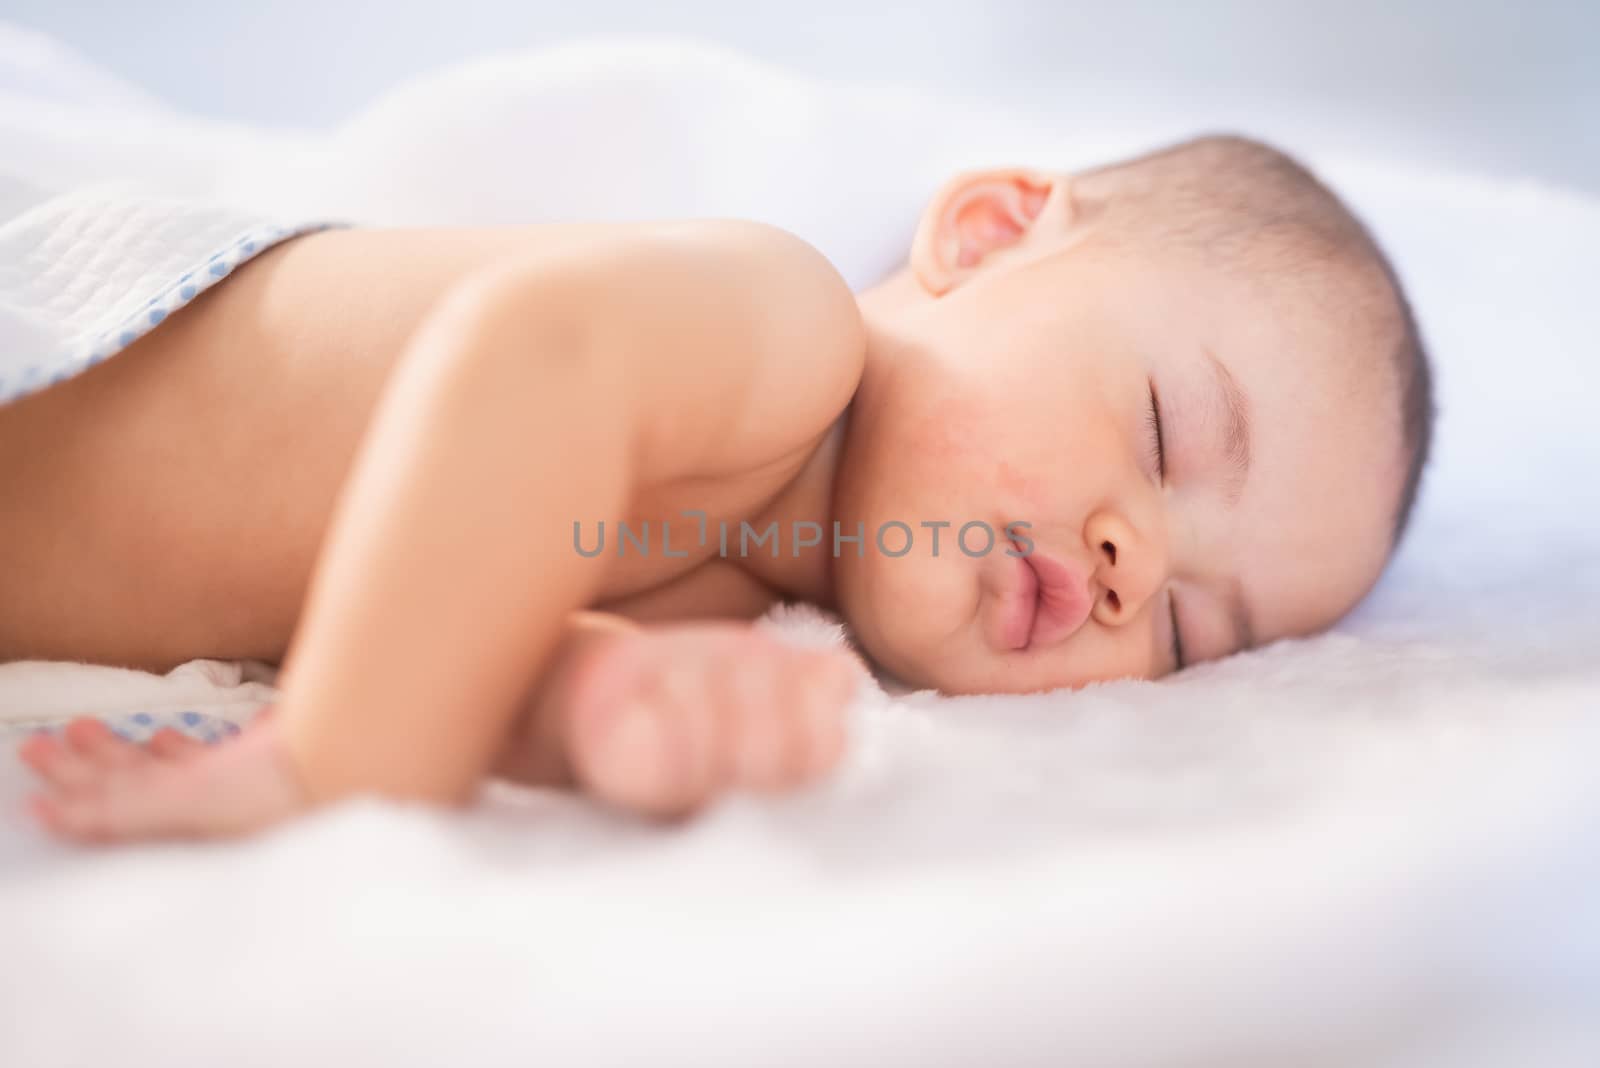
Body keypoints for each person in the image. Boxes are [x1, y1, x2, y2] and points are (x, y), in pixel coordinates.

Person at [4, 134, 1434, 842]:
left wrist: (597, 706)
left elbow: (457, 612)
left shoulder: (738, 598)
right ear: (989, 236)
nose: (1135, 564)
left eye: (1192, 631)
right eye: (1168, 432)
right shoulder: (780, 330)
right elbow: (533, 355)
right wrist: (345, 762)